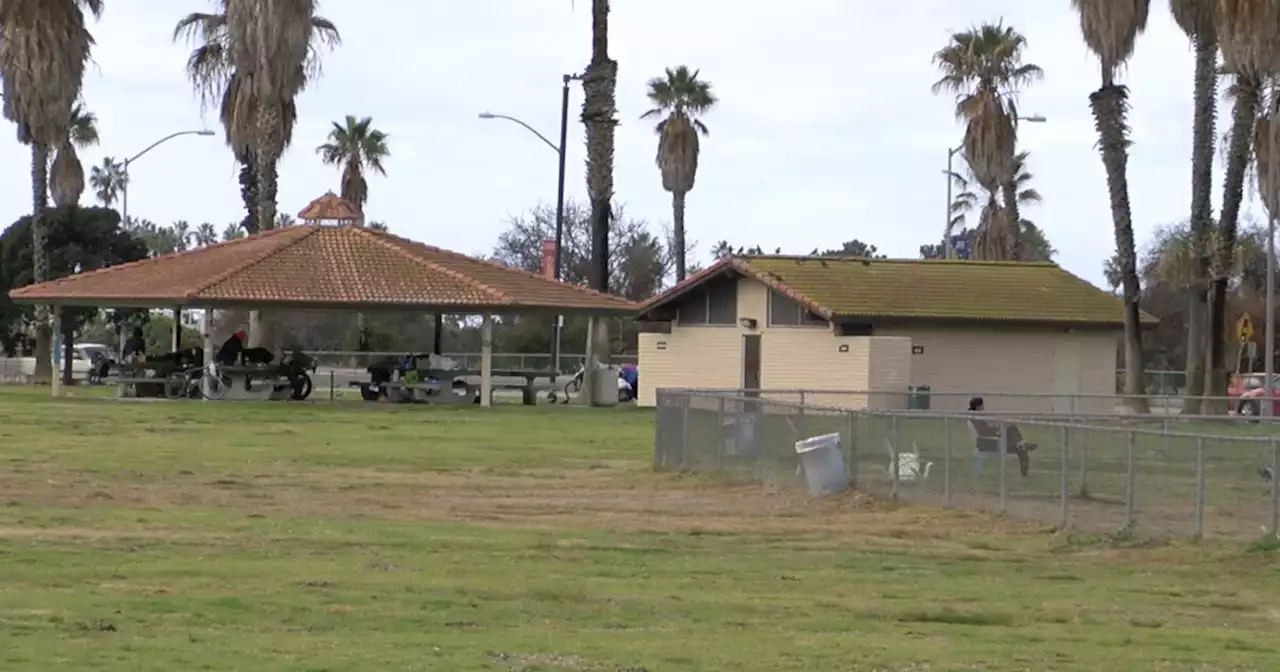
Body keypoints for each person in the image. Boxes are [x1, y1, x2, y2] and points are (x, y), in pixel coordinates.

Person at [967, 396, 1036, 477]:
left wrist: (998, 428)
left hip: (990, 442)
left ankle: (1021, 445)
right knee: (1011, 429)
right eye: (982, 406)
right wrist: (998, 431)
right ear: (979, 406)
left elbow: (986, 430)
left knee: (1018, 444)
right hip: (988, 444)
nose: (983, 408)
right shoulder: (976, 418)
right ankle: (1022, 444)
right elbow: (984, 433)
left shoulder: (975, 417)